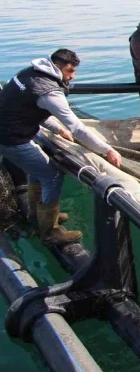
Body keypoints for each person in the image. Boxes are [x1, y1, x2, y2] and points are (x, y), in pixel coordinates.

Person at [0, 49, 123, 245]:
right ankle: (49, 231)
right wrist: (106, 149)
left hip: (8, 132)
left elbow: (31, 106)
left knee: (36, 168)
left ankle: (36, 215)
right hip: (12, 140)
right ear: (57, 66)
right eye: (69, 71)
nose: (72, 76)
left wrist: (57, 128)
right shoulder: (49, 91)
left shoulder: (30, 72)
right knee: (52, 174)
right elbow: (77, 128)